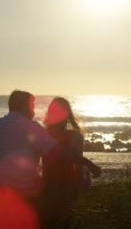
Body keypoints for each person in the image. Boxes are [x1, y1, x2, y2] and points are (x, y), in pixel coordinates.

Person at [0, 90, 100, 203]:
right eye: (32, 107)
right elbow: (61, 152)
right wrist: (91, 165)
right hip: (23, 193)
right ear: (25, 107)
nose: (34, 111)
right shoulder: (31, 127)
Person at [41, 97, 89, 228]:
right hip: (67, 185)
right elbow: (78, 165)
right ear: (68, 114)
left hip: (47, 185)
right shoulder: (75, 136)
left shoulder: (42, 134)